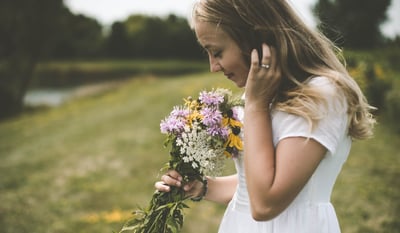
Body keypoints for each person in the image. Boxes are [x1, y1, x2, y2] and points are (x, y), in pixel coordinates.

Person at [155, 0, 376, 232]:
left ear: (254, 39)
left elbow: (265, 203)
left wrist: (255, 106)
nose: (213, 67)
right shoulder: (266, 96)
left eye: (217, 52)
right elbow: (250, 187)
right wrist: (203, 187)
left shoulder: (321, 95)